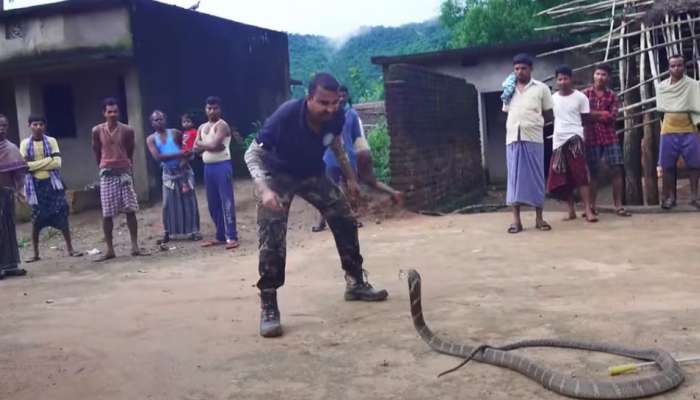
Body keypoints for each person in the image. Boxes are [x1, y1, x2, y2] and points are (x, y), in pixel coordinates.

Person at [245, 73, 388, 338]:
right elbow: (252, 153)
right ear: (309, 98)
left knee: (345, 217)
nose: (330, 108)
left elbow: (336, 145)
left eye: (335, 102)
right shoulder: (286, 116)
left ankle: (355, 282)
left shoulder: (337, 115)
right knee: (272, 235)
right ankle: (268, 303)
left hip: (312, 173)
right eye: (323, 103)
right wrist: (264, 190)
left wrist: (351, 179)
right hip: (277, 176)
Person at [502, 53, 554, 233]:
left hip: (533, 139)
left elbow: (549, 115)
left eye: (523, 68)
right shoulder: (508, 90)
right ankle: (516, 221)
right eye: (516, 69)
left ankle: (539, 218)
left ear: (531, 69)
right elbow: (507, 112)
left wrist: (535, 124)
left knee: (536, 178)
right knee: (514, 180)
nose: (520, 72)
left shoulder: (541, 88)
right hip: (512, 139)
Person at [20, 115, 82, 262]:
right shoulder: (24, 143)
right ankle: (35, 253)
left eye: (41, 124)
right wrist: (48, 160)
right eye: (35, 124)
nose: (38, 127)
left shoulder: (51, 141)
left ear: (45, 126)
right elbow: (23, 166)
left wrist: (33, 165)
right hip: (35, 187)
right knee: (36, 221)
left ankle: (70, 249)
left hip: (53, 185)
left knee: (62, 215)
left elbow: (57, 164)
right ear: (30, 126)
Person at [91, 97, 147, 261]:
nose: (113, 114)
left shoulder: (127, 130)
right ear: (104, 113)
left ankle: (135, 245)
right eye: (109, 112)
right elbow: (96, 150)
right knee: (107, 213)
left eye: (115, 111)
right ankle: (110, 249)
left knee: (130, 209)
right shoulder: (97, 130)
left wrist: (127, 164)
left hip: (123, 172)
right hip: (107, 173)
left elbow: (130, 149)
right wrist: (102, 165)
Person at [546, 65, 596, 222]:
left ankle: (588, 210)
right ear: (556, 81)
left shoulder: (581, 97)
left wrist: (580, 136)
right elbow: (548, 117)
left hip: (575, 139)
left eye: (565, 78)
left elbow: (586, 119)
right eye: (559, 79)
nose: (562, 82)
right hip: (558, 141)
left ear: (571, 79)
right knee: (562, 176)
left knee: (581, 174)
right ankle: (571, 210)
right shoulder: (552, 99)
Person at [146, 110, 202, 245]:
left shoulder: (176, 133)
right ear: (152, 123)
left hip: (183, 170)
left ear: (165, 119)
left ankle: (193, 231)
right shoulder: (151, 139)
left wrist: (182, 157)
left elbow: (188, 150)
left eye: (161, 119)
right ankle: (168, 232)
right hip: (168, 173)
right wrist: (179, 154)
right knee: (167, 204)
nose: (159, 122)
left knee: (189, 201)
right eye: (156, 120)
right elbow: (158, 157)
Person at [582, 63, 630, 217]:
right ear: (593, 75)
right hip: (591, 136)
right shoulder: (584, 94)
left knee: (616, 170)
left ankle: (618, 205)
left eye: (603, 75)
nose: (600, 77)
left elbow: (612, 116)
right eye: (598, 74)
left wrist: (593, 115)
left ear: (608, 77)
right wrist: (601, 114)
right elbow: (584, 116)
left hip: (610, 137)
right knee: (593, 172)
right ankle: (591, 206)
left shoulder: (612, 95)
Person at [312, 85, 362, 233]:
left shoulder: (352, 114)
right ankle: (322, 222)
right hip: (329, 157)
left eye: (343, 95)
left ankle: (354, 218)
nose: (341, 98)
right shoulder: (328, 115)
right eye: (338, 96)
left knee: (351, 188)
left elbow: (356, 137)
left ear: (347, 97)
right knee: (326, 190)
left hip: (348, 156)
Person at [194, 97, 241, 250]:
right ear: (205, 109)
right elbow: (196, 148)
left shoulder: (223, 126)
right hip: (208, 167)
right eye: (209, 108)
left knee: (226, 201)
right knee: (213, 203)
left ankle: (231, 236)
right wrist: (208, 146)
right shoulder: (202, 127)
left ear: (219, 109)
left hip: (222, 165)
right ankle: (221, 235)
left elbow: (215, 145)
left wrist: (204, 145)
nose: (212, 111)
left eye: (215, 108)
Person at [655, 54, 700, 209]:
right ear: (669, 68)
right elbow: (661, 110)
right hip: (668, 129)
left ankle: (694, 197)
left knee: (694, 165)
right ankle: (671, 197)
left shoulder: (693, 85)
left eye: (679, 65)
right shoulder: (662, 87)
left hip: (689, 129)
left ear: (684, 67)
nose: (676, 68)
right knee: (667, 166)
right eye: (673, 66)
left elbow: (697, 106)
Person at [0, 114, 29, 280]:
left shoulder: (11, 149)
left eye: (4, 125)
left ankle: (10, 265)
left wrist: (20, 191)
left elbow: (19, 174)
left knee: (9, 229)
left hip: (6, 193)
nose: (1, 129)